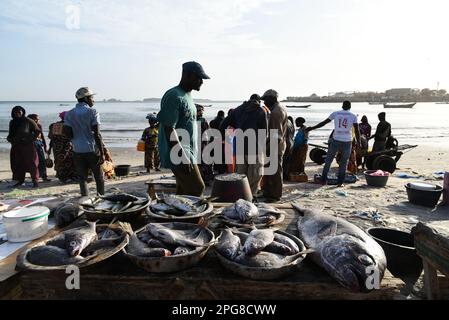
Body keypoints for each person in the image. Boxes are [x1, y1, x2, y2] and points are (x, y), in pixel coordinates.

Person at [157, 61, 210, 197]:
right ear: (188, 75)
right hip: (180, 154)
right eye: (199, 78)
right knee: (197, 188)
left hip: (188, 152)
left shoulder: (188, 96)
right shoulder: (174, 96)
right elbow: (169, 128)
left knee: (183, 192)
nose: (201, 82)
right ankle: (191, 217)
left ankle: (176, 218)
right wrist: (182, 155)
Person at [219, 94, 269, 196]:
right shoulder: (260, 111)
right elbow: (265, 133)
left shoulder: (238, 110)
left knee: (240, 175)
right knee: (255, 175)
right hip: (254, 149)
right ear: (259, 101)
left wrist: (223, 138)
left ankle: (241, 195)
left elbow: (223, 124)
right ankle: (251, 196)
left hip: (240, 148)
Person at [63, 87, 105, 196]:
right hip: (92, 149)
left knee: (82, 179)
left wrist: (77, 135)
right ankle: (101, 197)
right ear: (86, 98)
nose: (93, 100)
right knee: (99, 177)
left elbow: (67, 133)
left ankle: (85, 198)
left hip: (77, 150)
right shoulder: (93, 112)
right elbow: (97, 134)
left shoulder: (69, 114)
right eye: (92, 97)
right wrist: (102, 153)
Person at [308, 100, 360, 187]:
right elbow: (357, 130)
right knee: (344, 162)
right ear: (350, 107)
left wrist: (312, 128)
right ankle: (340, 183)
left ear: (342, 106)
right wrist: (359, 143)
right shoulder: (353, 116)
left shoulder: (335, 113)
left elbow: (324, 123)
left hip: (336, 139)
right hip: (347, 141)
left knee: (328, 160)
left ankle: (323, 181)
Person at [261, 90, 288, 202]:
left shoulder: (276, 112)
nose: (264, 103)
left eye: (265, 100)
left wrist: (267, 149)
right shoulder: (279, 108)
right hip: (276, 145)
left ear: (272, 99)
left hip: (275, 146)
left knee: (275, 172)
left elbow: (276, 135)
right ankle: (269, 192)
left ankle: (275, 195)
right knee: (270, 172)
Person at [7, 106, 40, 188]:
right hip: (16, 145)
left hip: (27, 145)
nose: (17, 114)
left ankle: (35, 181)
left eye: (19, 112)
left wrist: (30, 139)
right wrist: (10, 139)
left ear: (23, 112)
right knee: (17, 163)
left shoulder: (28, 121)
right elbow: (11, 133)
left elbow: (37, 131)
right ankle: (19, 180)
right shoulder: (12, 122)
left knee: (32, 163)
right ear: (13, 113)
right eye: (16, 112)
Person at [48, 112, 77, 183]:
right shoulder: (71, 125)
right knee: (69, 161)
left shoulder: (54, 125)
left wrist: (49, 148)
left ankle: (62, 177)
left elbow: (52, 138)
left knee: (59, 161)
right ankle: (70, 177)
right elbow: (73, 137)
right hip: (68, 146)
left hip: (57, 147)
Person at [28, 114, 51, 182]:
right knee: (34, 162)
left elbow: (43, 137)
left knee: (42, 161)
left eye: (38, 119)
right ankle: (35, 177)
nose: (38, 120)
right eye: (36, 119)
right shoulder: (28, 127)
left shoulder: (39, 125)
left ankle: (44, 176)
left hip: (39, 144)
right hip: (32, 145)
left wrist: (45, 146)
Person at [196, 104, 213, 185]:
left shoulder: (199, 120)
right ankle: (204, 179)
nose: (200, 112)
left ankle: (203, 179)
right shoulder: (202, 120)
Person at [283, 116, 295, 181]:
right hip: (291, 144)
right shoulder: (291, 124)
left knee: (283, 161)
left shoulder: (284, 122)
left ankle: (284, 176)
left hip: (285, 144)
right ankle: (286, 175)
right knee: (287, 161)